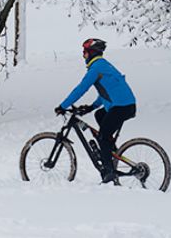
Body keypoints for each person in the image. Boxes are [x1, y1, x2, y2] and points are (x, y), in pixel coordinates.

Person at [55, 38, 137, 184]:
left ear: (91, 53)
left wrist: (63, 105)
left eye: (84, 53)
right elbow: (108, 91)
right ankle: (111, 152)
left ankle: (109, 171)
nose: (83, 56)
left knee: (103, 137)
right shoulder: (103, 66)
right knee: (99, 114)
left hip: (121, 107)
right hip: (123, 105)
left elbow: (81, 88)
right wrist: (92, 107)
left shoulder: (96, 68)